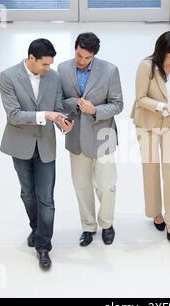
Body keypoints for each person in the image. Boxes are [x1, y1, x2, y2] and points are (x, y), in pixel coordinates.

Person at [0, 38, 73, 270]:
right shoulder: (8, 76)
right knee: (28, 193)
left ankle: (43, 246)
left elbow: (59, 109)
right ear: (31, 58)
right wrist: (46, 116)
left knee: (46, 198)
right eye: (44, 64)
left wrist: (63, 123)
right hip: (20, 145)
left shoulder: (54, 77)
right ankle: (35, 227)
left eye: (50, 65)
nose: (48, 69)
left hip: (45, 146)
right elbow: (14, 115)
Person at [57, 32, 123, 247]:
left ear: (94, 55)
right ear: (75, 49)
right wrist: (74, 104)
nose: (82, 61)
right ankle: (88, 226)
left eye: (87, 58)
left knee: (106, 185)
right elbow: (59, 101)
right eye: (79, 55)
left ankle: (107, 224)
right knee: (81, 186)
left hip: (102, 136)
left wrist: (95, 110)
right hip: (76, 138)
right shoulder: (63, 69)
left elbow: (117, 104)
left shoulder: (110, 70)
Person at [130, 31, 170, 242]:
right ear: (162, 53)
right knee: (151, 170)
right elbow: (140, 98)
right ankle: (156, 212)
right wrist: (164, 107)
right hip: (148, 124)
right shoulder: (146, 67)